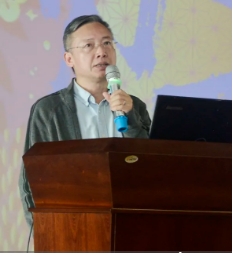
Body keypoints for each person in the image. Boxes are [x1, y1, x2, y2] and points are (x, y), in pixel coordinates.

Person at [19, 14, 152, 226]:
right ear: (69, 59)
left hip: (131, 228)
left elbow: (152, 171)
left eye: (107, 43)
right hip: (72, 229)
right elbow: (31, 182)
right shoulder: (48, 110)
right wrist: (44, 233)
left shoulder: (134, 106)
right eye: (89, 45)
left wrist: (131, 118)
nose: (101, 52)